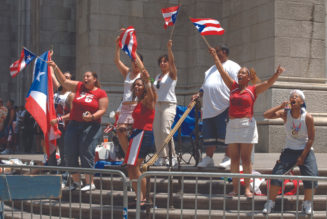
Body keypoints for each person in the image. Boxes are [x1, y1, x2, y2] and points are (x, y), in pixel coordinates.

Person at [208, 47, 285, 198]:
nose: (239, 74)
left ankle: (247, 189)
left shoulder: (253, 89)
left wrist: (277, 74)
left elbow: (268, 83)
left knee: (246, 159)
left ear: (248, 77)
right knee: (234, 159)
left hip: (247, 126)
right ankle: (235, 189)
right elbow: (222, 71)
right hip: (232, 125)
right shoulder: (233, 87)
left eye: (243, 73)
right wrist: (215, 57)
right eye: (239, 73)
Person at [48, 60, 109, 191]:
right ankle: (76, 182)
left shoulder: (100, 93)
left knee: (86, 152)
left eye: (88, 76)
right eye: (84, 76)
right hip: (74, 125)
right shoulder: (79, 87)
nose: (85, 78)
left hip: (91, 126)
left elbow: (102, 110)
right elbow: (64, 82)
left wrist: (92, 116)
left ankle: (89, 182)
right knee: (69, 153)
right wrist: (55, 66)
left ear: (94, 79)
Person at [262, 90, 317, 215]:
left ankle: (307, 203)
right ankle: (270, 202)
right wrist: (280, 106)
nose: (293, 98)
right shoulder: (285, 114)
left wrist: (302, 156)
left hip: (305, 150)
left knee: (312, 177)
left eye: (296, 97)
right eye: (291, 97)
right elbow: (266, 115)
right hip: (289, 150)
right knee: (277, 175)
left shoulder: (307, 117)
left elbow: (312, 138)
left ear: (301, 102)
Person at [193, 45, 240, 168]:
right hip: (209, 108)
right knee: (209, 136)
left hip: (224, 106)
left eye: (217, 51)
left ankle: (228, 157)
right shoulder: (210, 69)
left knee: (226, 135)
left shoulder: (233, 66)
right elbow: (204, 86)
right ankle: (208, 158)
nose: (214, 53)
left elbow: (237, 86)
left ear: (224, 52)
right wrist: (198, 94)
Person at [124, 65, 156, 208]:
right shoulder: (137, 102)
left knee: (136, 166)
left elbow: (152, 92)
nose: (136, 87)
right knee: (130, 167)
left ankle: (146, 198)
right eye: (135, 84)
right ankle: (139, 197)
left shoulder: (149, 99)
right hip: (136, 134)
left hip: (144, 134)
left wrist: (147, 79)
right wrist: (126, 127)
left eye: (139, 84)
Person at [114, 33, 143, 155]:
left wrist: (133, 49)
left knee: (136, 133)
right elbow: (116, 61)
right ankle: (128, 156)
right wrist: (117, 46)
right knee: (120, 131)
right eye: (133, 61)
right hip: (125, 107)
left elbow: (142, 68)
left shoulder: (142, 74)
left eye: (136, 61)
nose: (134, 63)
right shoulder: (127, 72)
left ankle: (136, 157)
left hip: (137, 106)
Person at [152, 40, 178, 166]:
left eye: (165, 61)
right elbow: (154, 85)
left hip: (169, 104)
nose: (163, 63)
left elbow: (173, 62)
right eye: (161, 62)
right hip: (157, 105)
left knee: (165, 131)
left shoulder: (172, 74)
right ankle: (162, 157)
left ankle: (172, 156)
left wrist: (169, 49)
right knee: (157, 132)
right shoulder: (157, 76)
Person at [49, 69, 74, 167]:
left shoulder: (71, 95)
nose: (64, 79)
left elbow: (73, 114)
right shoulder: (58, 90)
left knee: (64, 152)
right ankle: (52, 171)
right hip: (52, 127)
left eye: (67, 77)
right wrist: (50, 62)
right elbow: (52, 75)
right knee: (51, 151)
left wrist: (59, 119)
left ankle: (64, 174)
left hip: (64, 128)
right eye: (63, 76)